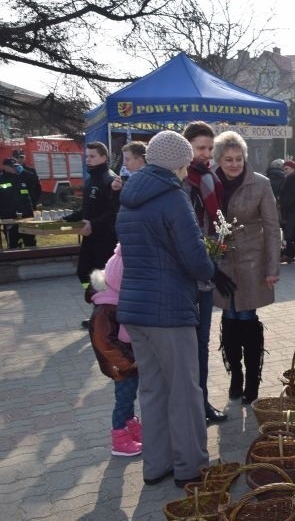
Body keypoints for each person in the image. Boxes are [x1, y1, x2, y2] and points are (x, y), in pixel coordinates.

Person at [116, 130, 222, 488]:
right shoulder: (173, 197)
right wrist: (212, 269)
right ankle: (190, 466)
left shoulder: (130, 196)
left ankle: (156, 465)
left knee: (152, 389)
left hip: (134, 308)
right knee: (185, 390)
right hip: (168, 309)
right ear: (179, 162)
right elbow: (193, 255)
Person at [213, 131, 281, 405]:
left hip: (252, 261)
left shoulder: (261, 184)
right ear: (219, 159)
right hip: (221, 260)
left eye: (238, 159)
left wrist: (272, 266)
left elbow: (272, 227)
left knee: (246, 318)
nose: (233, 164)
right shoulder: (210, 183)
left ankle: (253, 378)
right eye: (228, 159)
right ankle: (235, 375)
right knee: (229, 317)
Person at [181, 121, 228, 424]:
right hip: (185, 273)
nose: (207, 154)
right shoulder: (182, 183)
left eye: (210, 148)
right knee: (186, 345)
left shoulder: (211, 179)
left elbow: (216, 223)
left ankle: (201, 403)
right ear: (187, 148)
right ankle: (189, 405)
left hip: (206, 270)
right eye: (201, 148)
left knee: (201, 341)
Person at [87, 243, 141, 457]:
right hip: (121, 365)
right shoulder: (106, 307)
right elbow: (105, 342)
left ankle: (131, 427)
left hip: (129, 360)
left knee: (129, 397)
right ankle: (119, 436)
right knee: (123, 399)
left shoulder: (116, 300)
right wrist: (128, 362)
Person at [64, 142, 119, 328]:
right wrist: (67, 219)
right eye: (87, 156)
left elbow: (113, 212)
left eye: (93, 156)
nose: (88, 159)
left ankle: (107, 314)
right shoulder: (92, 179)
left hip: (105, 238)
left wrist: (93, 224)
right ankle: (98, 306)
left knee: (104, 278)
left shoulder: (109, 179)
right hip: (91, 236)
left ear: (104, 157)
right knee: (83, 272)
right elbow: (87, 209)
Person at [0, 157, 37, 249]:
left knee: (30, 241)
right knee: (13, 243)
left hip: (26, 214)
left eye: (15, 166)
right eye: (11, 166)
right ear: (4, 167)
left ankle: (32, 260)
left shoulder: (22, 176)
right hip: (9, 216)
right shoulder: (1, 178)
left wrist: (24, 171)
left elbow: (35, 181)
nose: (14, 168)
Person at [278, 159, 295, 263]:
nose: (284, 171)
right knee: (293, 234)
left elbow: (290, 195)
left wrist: (284, 204)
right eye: (284, 169)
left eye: (287, 168)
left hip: (290, 210)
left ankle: (288, 254)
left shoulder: (291, 179)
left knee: (289, 233)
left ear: (293, 169)